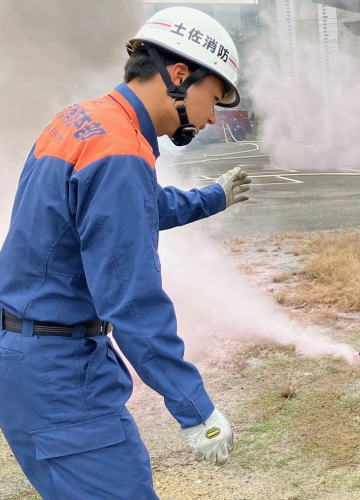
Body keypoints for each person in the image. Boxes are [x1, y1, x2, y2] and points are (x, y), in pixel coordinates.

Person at [0, 7, 250, 498]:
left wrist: (212, 197)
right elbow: (130, 298)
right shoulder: (120, 149)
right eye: (213, 100)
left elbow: (131, 207)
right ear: (180, 76)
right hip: (61, 377)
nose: (209, 119)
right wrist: (195, 408)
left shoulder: (82, 121)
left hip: (30, 357)